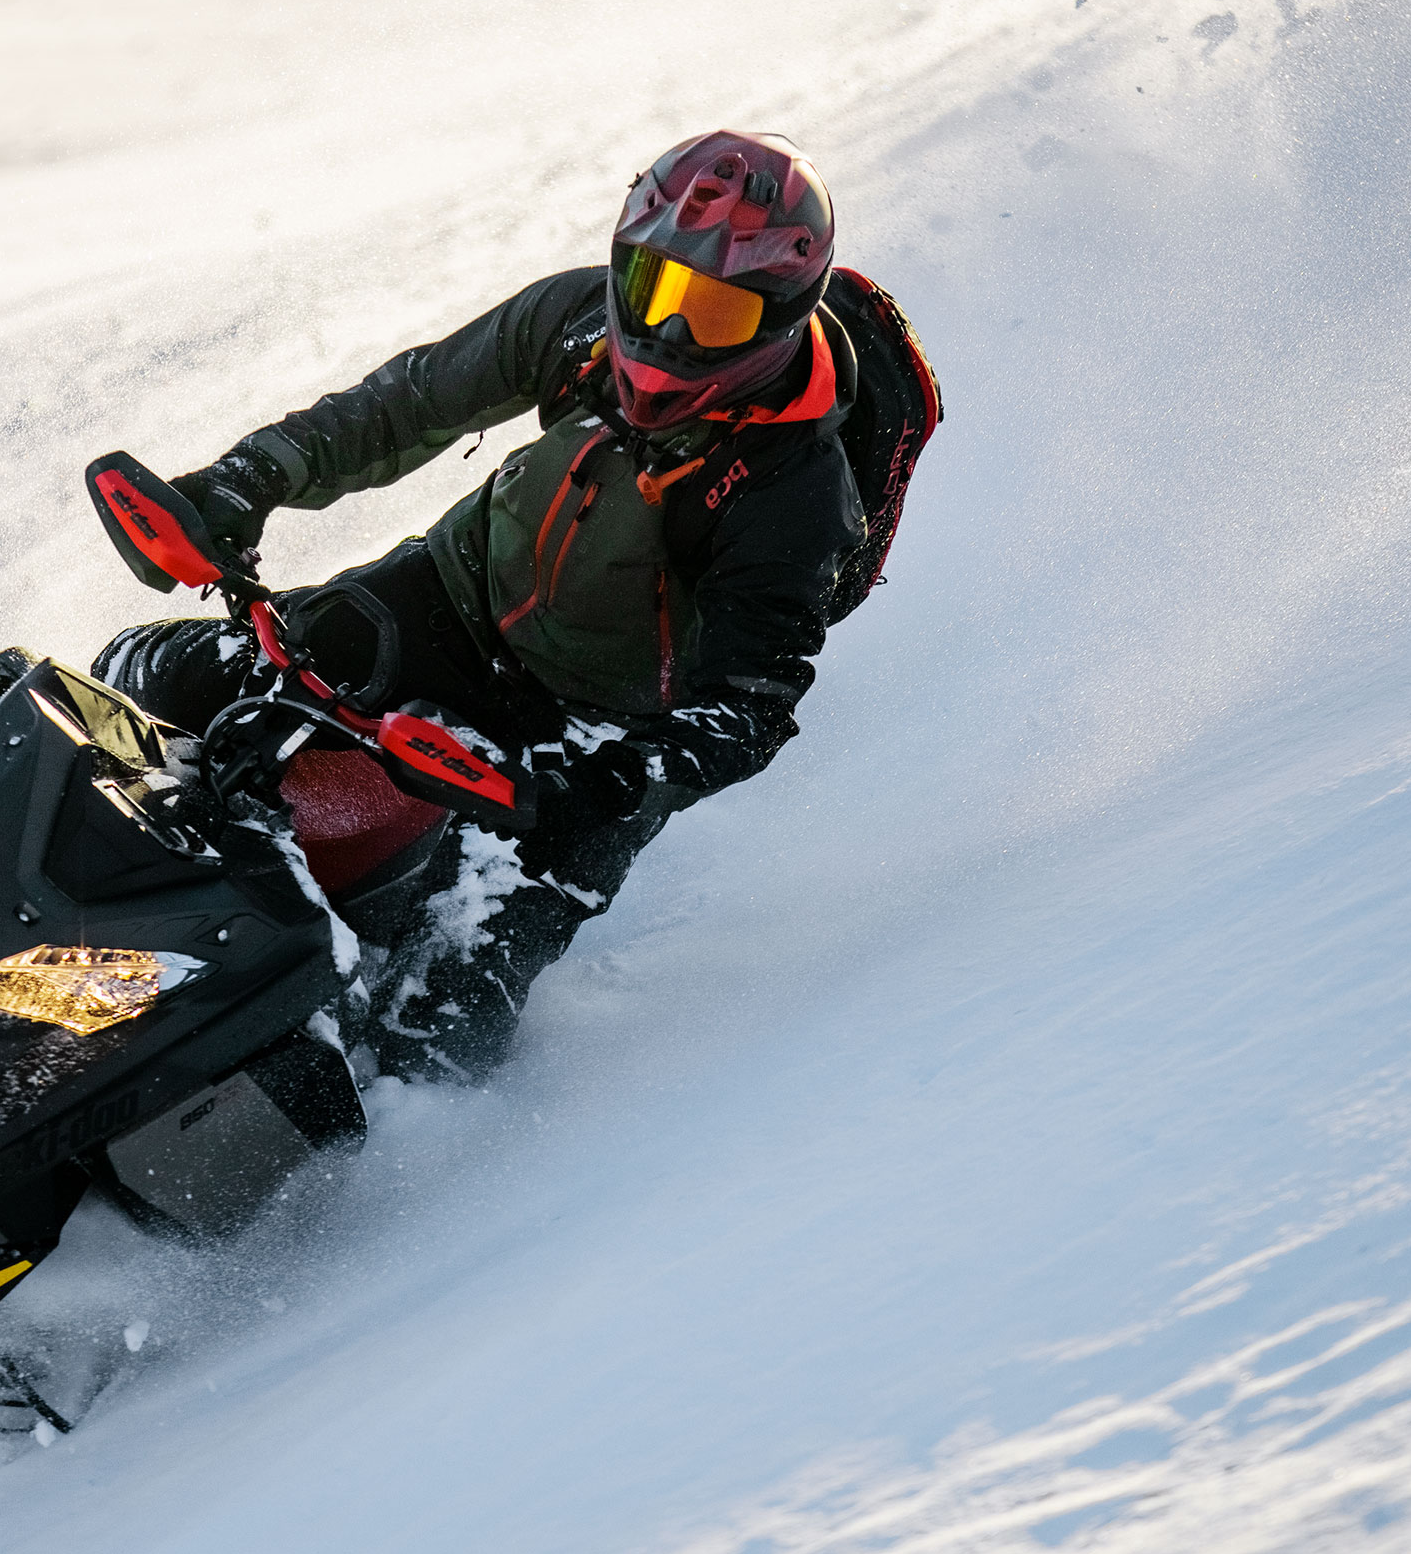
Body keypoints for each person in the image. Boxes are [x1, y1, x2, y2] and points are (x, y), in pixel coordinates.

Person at [95, 129, 919, 1083]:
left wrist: (620, 779)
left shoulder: (794, 490)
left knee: (440, 1030)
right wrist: (250, 479)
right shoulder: (577, 321)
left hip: (587, 740)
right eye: (653, 289)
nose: (669, 334)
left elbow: (749, 701)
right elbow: (401, 406)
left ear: (779, 319)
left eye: (718, 314)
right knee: (153, 679)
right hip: (448, 595)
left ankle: (380, 1163)